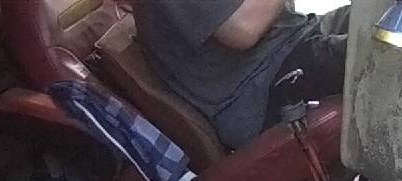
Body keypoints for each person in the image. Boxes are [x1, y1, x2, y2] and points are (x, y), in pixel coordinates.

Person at [135, 0, 350, 150]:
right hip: (264, 87)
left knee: (371, 14)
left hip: (296, 38)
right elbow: (244, 29)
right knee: (370, 50)